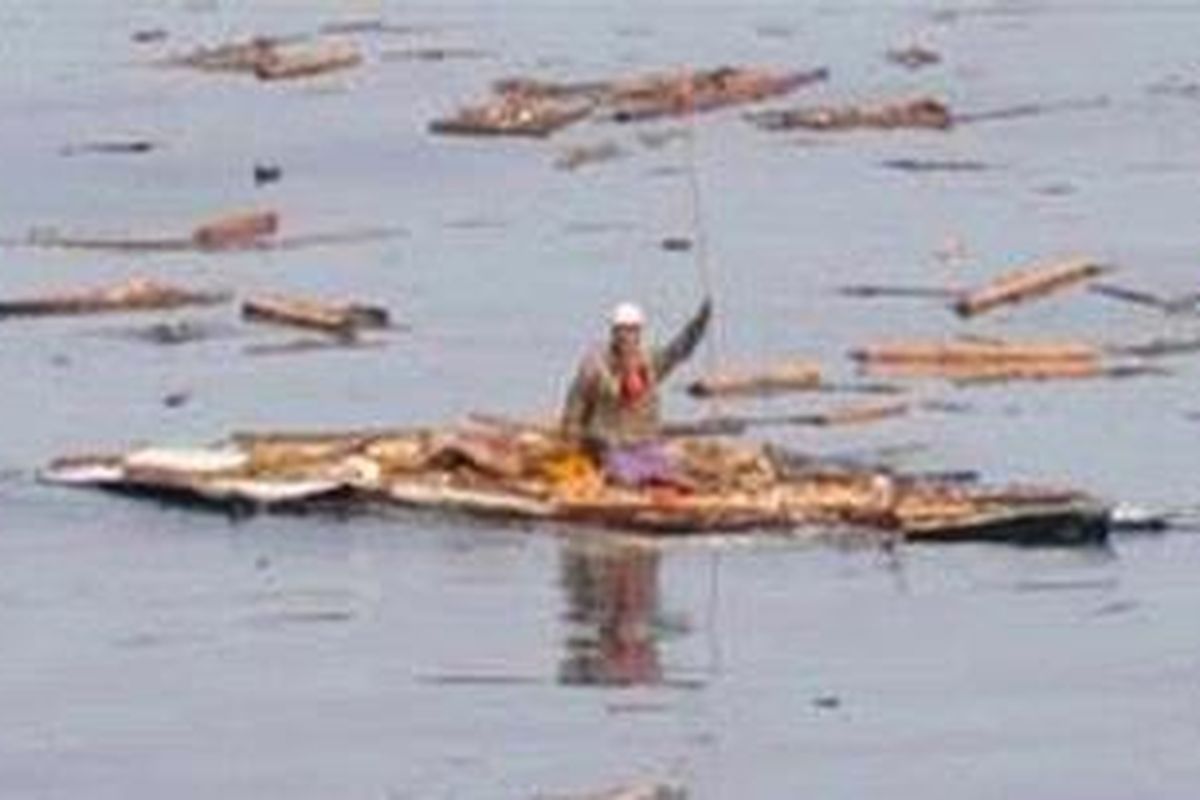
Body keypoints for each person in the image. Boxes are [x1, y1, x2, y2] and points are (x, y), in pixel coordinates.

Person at [561, 297, 712, 487]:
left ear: (639, 333)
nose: (627, 336)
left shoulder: (650, 361)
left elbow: (678, 352)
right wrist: (572, 443)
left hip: (644, 442)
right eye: (622, 330)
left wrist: (698, 325)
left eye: (632, 330)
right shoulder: (594, 366)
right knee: (623, 477)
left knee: (671, 469)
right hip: (610, 444)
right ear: (613, 333)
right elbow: (575, 406)